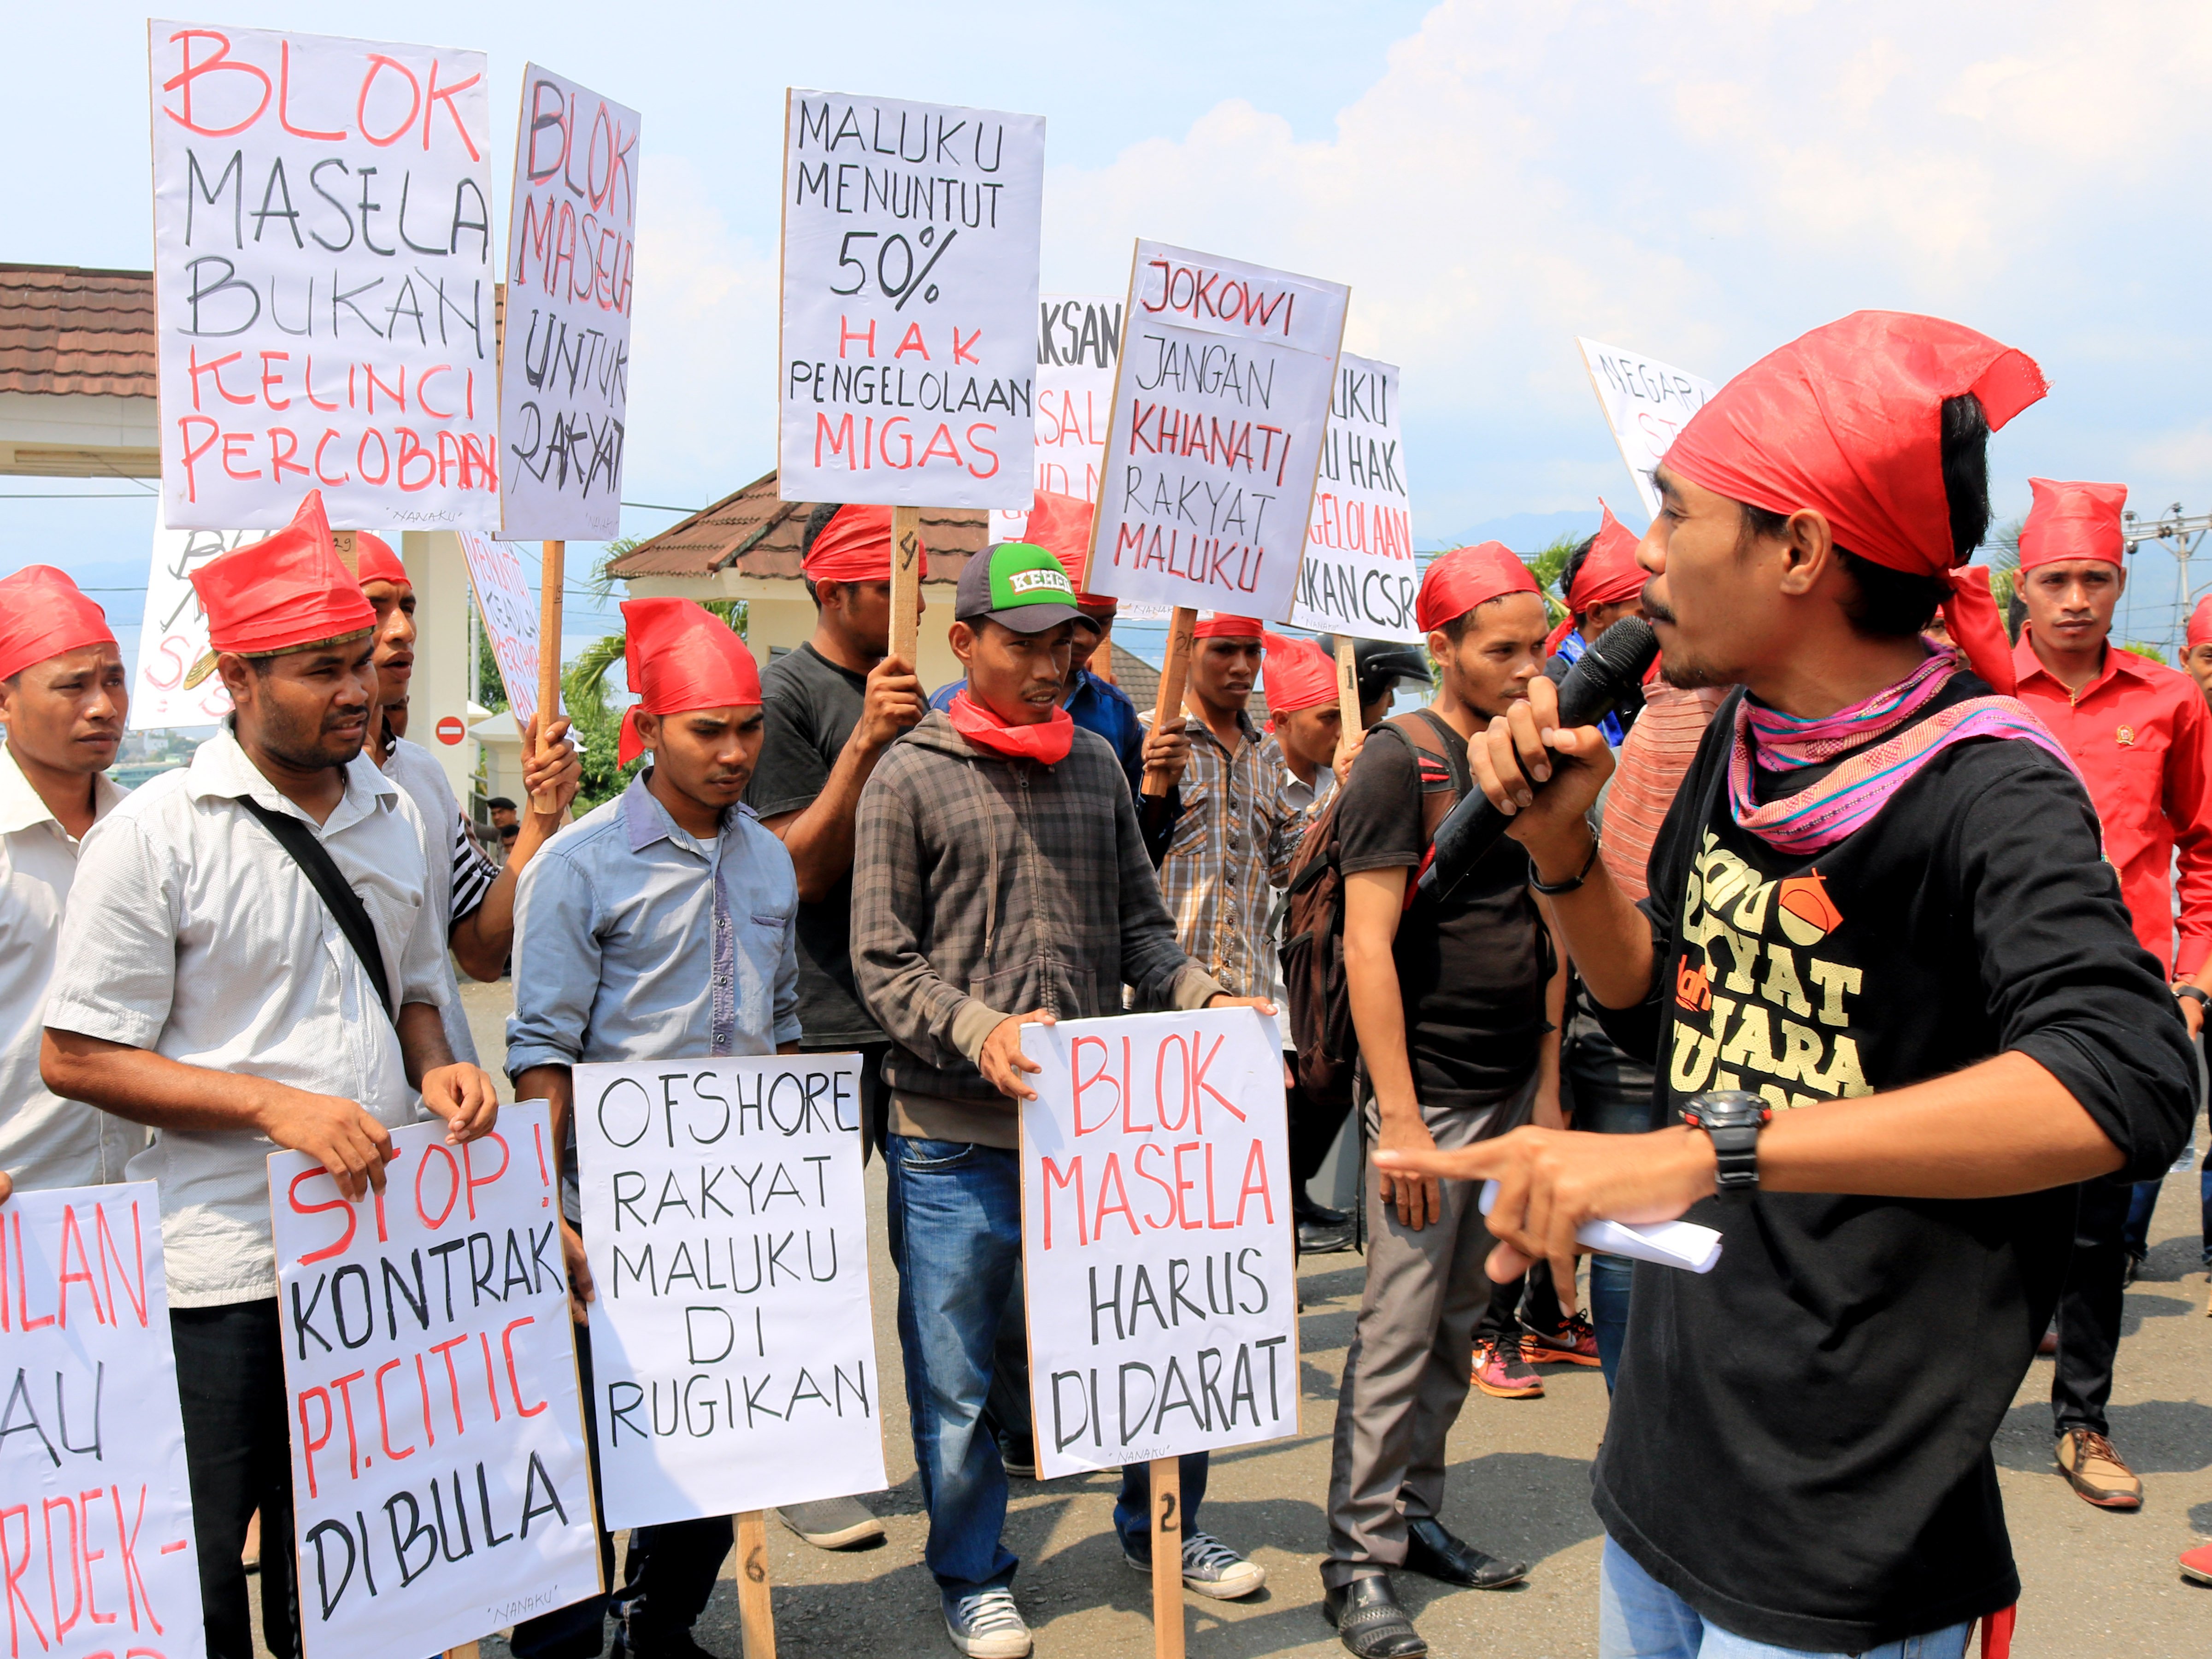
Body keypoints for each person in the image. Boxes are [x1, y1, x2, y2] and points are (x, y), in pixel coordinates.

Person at [1388, 312, 2194, 1659]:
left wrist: (1711, 1154)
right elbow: (1667, 1013)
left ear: (1802, 551)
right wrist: (1562, 853)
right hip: (1672, 1453)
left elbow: (2126, 1081)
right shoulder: (1748, 740)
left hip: (1843, 1512)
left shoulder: (1985, 788)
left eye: (1676, 513)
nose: (1645, 553)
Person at [38, 489, 501, 1659]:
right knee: (195, 1567)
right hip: (221, 1267)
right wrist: (271, 1106)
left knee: (345, 1565)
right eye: (317, 668)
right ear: (236, 680)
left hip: (368, 1259)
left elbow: (412, 994)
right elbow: (76, 1053)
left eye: (359, 661)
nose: (356, 688)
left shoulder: (396, 811)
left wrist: (441, 1073)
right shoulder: (156, 834)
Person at [852, 541, 1274, 1658]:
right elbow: (882, 963)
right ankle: (971, 1571)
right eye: (1026, 643)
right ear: (964, 642)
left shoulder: (1096, 763)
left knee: (1156, 1335)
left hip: (1094, 1135)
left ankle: (1165, 1526)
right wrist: (978, 1030)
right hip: (951, 1139)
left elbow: (1140, 930)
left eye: (1067, 644)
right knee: (953, 1378)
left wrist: (1207, 996)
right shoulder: (905, 773)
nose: (1052, 663)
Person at [506, 597, 804, 1659]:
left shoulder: (768, 861)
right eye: (706, 730)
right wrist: (545, 1214)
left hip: (734, 1216)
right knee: (588, 1459)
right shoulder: (577, 866)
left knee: (721, 1449)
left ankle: (661, 1626)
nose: (734, 753)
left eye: (747, 728)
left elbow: (787, 1023)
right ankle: (570, 1646)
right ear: (649, 726)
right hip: (609, 1211)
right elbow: (539, 1049)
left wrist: (794, 1185)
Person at [1318, 544, 1557, 1656]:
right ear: (1442, 649)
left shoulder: (1539, 754)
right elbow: (1368, 946)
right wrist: (1401, 1123)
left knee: (1460, 1321)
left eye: (1536, 646)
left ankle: (1415, 1516)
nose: (1522, 668)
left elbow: (1550, 920)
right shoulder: (1396, 762)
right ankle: (1356, 1560)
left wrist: (1547, 1090)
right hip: (1432, 1101)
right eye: (1497, 648)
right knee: (1397, 1327)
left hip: (1511, 1087)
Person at [2005, 476, 2212, 1512]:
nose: (2077, 598)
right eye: (2057, 579)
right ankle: (1944, 1418)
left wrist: (2194, 974)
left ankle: (2082, 1421)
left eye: (2096, 578)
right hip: (1986, 997)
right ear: (2023, 588)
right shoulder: (1977, 693)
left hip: (2114, 1000)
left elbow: (2206, 845)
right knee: (1970, 1212)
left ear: (2121, 585)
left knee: (2094, 1229)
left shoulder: (2170, 703)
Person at [739, 500, 917, 1548]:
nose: (910, 605)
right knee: (805, 1258)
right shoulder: (784, 693)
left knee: (950, 1249)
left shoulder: (907, 690)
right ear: (832, 589)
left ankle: (1000, 1431)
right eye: (888, 584)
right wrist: (866, 742)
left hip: (910, 1017)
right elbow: (789, 871)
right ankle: (797, 1467)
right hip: (811, 1021)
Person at [353, 533, 582, 1056]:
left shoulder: (423, 775)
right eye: (376, 607)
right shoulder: (283, 792)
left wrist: (540, 819)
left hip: (439, 1099)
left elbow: (480, 953)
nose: (403, 630)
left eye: (408, 607)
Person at [930, 492, 1192, 840]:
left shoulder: (1114, 717)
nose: (1085, 640)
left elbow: (1133, 855)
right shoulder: (943, 712)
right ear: (964, 644)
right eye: (1024, 642)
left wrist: (1161, 787)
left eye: (1101, 623)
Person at [0, 565, 139, 1190]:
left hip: (136, 1208)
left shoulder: (147, 834)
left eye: (114, 680)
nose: (103, 706)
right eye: (73, 685)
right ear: (5, 700)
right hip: (17, 1193)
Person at [1258, 633, 1357, 1252]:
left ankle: (1291, 1210)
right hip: (1269, 997)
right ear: (1283, 720)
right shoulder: (1257, 778)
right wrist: (1346, 794)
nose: (1340, 732)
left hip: (1326, 997)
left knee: (1321, 1114)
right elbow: (1292, 868)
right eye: (1328, 718)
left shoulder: (1342, 777)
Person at [1541, 501, 1651, 743]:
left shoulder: (1646, 677)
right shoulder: (1552, 687)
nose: (1652, 626)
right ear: (1597, 614)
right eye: (1643, 614)